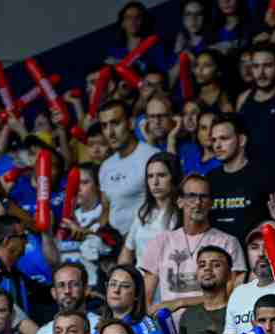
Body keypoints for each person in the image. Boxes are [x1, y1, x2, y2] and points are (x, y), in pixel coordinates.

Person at [140, 172, 246, 314]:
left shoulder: (228, 242)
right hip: (170, 330)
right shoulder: (160, 242)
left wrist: (181, 303)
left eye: (203, 197)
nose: (198, 202)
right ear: (180, 202)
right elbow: (146, 297)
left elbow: (232, 293)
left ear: (211, 203)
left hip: (212, 326)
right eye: (191, 196)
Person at [207, 114, 275, 245]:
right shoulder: (209, 179)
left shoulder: (265, 174)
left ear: (241, 140)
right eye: (214, 140)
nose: (217, 145)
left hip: (256, 258)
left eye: (224, 138)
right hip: (218, 258)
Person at [98, 101, 159, 236]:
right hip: (115, 247)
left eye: (115, 123)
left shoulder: (153, 157)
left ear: (131, 123)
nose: (110, 132)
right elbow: (106, 210)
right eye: (104, 126)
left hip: (145, 245)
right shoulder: (105, 166)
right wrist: (97, 236)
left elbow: (165, 209)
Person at [177, 245, 229, 334]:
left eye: (216, 265)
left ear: (229, 274)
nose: (207, 269)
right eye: (202, 265)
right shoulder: (188, 316)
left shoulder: (238, 312)